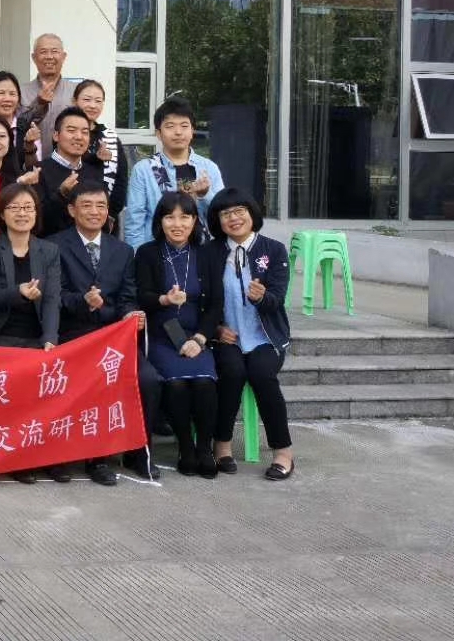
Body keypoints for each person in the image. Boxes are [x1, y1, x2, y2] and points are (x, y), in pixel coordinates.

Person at [50, 181, 161, 485]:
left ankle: (138, 452)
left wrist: (130, 314)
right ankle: (85, 457)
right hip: (73, 336)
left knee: (148, 379)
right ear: (71, 210)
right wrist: (83, 301)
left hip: (113, 338)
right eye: (86, 205)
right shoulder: (54, 246)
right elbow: (55, 296)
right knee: (89, 379)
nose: (94, 212)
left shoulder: (122, 250)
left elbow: (128, 297)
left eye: (101, 205)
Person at [0, 184, 61, 482]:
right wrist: (18, 293)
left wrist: (50, 338)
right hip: (1, 334)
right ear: (2, 215)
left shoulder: (49, 250)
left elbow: (52, 299)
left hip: (35, 336)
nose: (22, 213)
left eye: (28, 208)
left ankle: (30, 458)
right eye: (15, 208)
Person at [205, 188, 294, 481]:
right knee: (231, 372)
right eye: (226, 214)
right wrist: (217, 329)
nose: (234, 218)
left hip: (264, 338)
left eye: (239, 211)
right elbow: (203, 301)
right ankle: (222, 445)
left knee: (262, 374)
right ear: (217, 221)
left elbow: (277, 299)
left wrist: (262, 297)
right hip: (227, 338)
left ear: (252, 213)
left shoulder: (274, 250)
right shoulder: (210, 252)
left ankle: (283, 452)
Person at [136, 191, 222, 479]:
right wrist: (164, 299)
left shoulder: (206, 254)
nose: (177, 224)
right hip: (162, 336)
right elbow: (142, 297)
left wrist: (199, 339)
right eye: (170, 217)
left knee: (205, 382)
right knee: (176, 385)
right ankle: (185, 448)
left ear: (195, 221)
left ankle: (205, 449)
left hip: (197, 336)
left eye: (185, 217)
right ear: (159, 221)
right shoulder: (147, 253)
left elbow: (215, 305)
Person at [123, 98, 225, 249]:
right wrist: (138, 257)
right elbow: (134, 222)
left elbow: (223, 215)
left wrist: (204, 195)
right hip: (157, 253)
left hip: (201, 251)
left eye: (184, 126)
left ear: (192, 130)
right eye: (170, 126)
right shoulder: (144, 169)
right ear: (158, 133)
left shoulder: (208, 168)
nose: (178, 132)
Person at [75, 79, 128, 225]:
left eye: (98, 101)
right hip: (73, 215)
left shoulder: (110, 137)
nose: (93, 105)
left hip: (106, 217)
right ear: (74, 101)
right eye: (87, 99)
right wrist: (95, 158)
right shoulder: (66, 134)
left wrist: (111, 213)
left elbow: (121, 179)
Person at [37, 107, 96, 238]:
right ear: (56, 136)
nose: (79, 137)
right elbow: (36, 220)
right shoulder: (38, 171)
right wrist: (61, 194)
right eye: (71, 130)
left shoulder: (94, 172)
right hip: (50, 246)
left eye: (85, 132)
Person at [20, 33, 75, 166]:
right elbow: (18, 126)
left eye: (54, 51)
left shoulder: (76, 92)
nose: (49, 56)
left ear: (64, 56)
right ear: (34, 57)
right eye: (43, 52)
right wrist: (39, 104)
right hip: (30, 166)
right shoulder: (20, 92)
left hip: (68, 167)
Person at [0, 70, 32, 170]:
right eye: (1, 93)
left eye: (12, 94)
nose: (7, 99)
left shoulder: (27, 128)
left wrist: (30, 146)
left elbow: (33, 167)